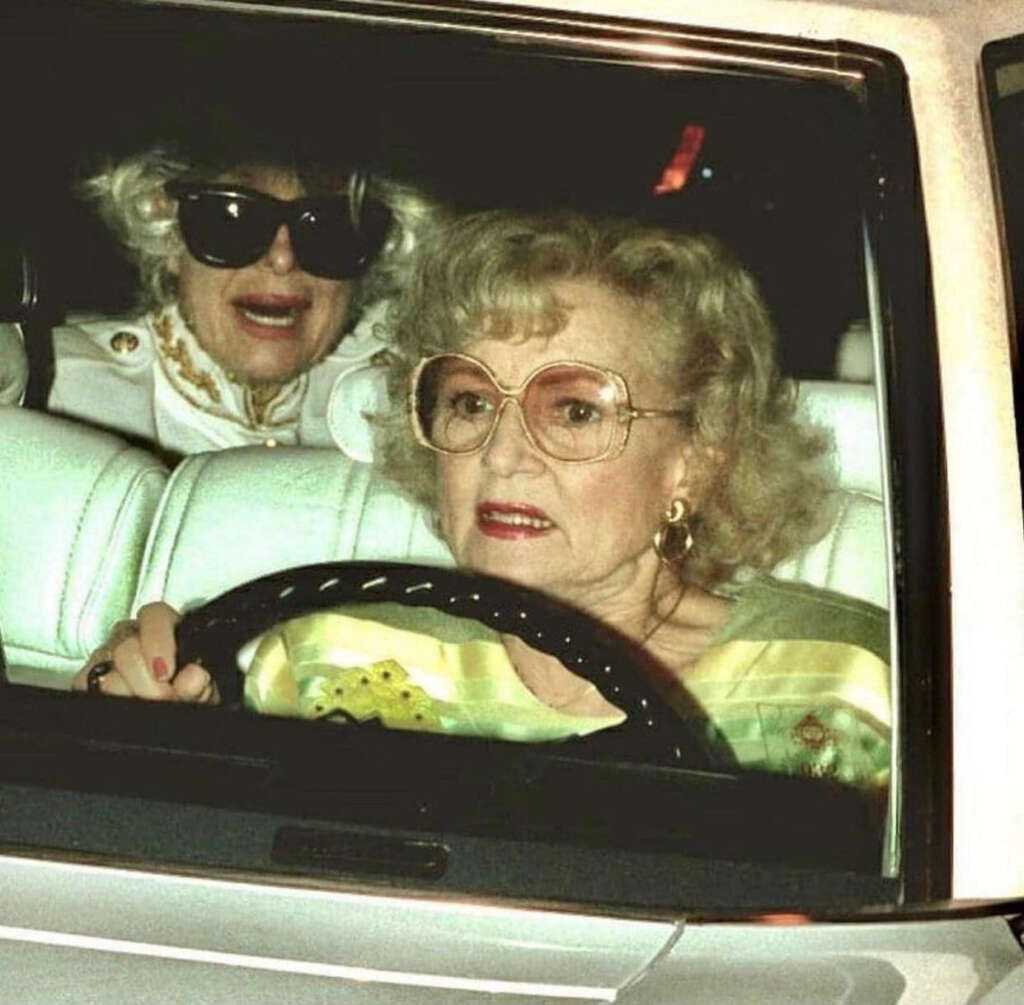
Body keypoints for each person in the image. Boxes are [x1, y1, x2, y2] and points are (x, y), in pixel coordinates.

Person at [73, 210, 890, 787]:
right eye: (470, 401)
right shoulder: (323, 659)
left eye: (573, 409)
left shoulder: (852, 685)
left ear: (694, 464)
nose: (501, 456)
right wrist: (145, 733)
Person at [2, 145, 437, 460]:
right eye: (234, 219)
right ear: (169, 233)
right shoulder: (52, 398)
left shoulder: (419, 417)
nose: (283, 259)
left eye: (329, 228)